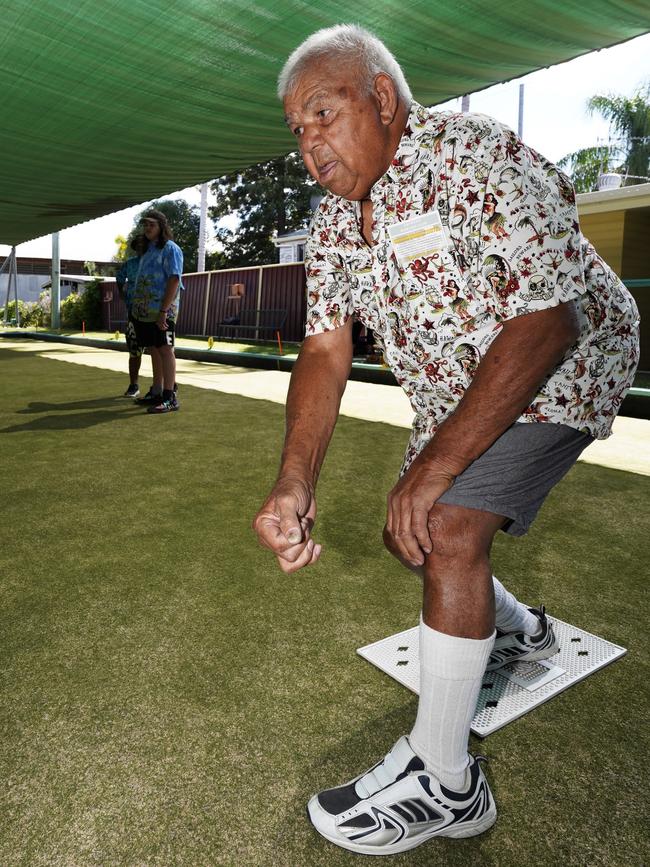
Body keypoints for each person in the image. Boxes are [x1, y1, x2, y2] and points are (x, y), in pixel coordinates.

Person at [252, 24, 640, 856]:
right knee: (415, 536)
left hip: (567, 358)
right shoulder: (331, 227)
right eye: (297, 130)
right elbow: (324, 351)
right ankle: (520, 630)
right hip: (459, 384)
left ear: (382, 98)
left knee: (450, 523)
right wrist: (293, 481)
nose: (309, 142)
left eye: (322, 113)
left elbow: (546, 321)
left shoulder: (475, 157)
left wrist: (433, 468)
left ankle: (448, 781)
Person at [130, 209, 184, 414]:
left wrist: (163, 310)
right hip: (146, 312)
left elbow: (174, 279)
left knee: (165, 348)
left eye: (151, 225)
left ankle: (170, 397)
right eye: (145, 225)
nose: (147, 228)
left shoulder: (171, 249)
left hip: (163, 311)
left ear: (161, 227)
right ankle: (157, 391)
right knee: (153, 347)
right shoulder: (148, 250)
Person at [115, 234, 150, 398]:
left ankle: (167, 385)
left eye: (145, 244)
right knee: (134, 350)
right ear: (135, 247)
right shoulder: (130, 264)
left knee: (161, 349)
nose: (141, 247)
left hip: (154, 313)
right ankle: (133, 385)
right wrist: (123, 293)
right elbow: (119, 278)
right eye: (138, 245)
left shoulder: (155, 263)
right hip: (133, 314)